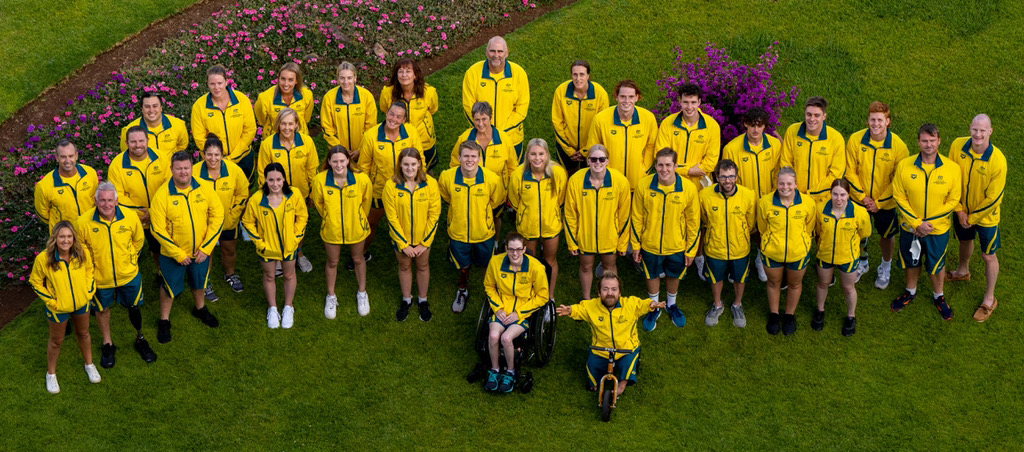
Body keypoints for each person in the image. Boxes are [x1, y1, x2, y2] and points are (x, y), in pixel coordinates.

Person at [75, 182, 158, 368]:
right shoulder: (82, 222)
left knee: (134, 307)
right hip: (100, 279)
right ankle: (108, 343)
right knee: (103, 310)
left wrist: (130, 259)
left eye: (110, 200)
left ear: (117, 201)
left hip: (128, 275)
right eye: (102, 200)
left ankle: (140, 337)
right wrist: (93, 268)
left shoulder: (129, 217)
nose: (106, 204)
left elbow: (138, 240)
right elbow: (80, 249)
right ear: (95, 201)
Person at [150, 151, 224, 343]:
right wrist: (177, 253)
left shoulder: (205, 189)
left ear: (192, 168)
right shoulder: (162, 195)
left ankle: (200, 309)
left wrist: (206, 248)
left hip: (200, 252)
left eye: (186, 167)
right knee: (168, 288)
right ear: (172, 169)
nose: (183, 172)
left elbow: (218, 217)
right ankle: (164, 320)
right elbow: (157, 229)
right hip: (173, 254)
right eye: (179, 168)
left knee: (199, 282)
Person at [890, 124, 961, 321]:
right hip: (910, 227)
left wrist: (927, 223)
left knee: (937, 265)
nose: (928, 145)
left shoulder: (952, 169)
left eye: (932, 140)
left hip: (936, 230)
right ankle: (910, 292)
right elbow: (898, 195)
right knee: (912, 261)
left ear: (939, 141)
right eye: (924, 141)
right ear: (918, 142)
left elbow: (954, 200)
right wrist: (915, 223)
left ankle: (939, 296)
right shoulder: (905, 165)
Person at [555, 271, 664, 396]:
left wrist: (653, 304)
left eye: (614, 289)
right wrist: (570, 310)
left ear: (620, 292)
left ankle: (621, 387)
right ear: (599, 293)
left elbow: (644, 304)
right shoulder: (591, 306)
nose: (610, 293)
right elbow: (580, 309)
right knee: (591, 373)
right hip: (601, 350)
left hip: (627, 349)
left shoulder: (630, 304)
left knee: (628, 368)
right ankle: (596, 382)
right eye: (605, 289)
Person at [630, 148, 699, 330]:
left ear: (676, 166)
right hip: (649, 244)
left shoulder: (688, 188)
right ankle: (654, 307)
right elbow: (636, 217)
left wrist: (691, 250)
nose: (664, 169)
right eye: (660, 165)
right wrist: (636, 245)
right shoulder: (643, 185)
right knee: (651, 274)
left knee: (673, 274)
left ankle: (671, 304)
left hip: (676, 245)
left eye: (668, 165)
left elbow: (693, 222)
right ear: (655, 166)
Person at [946, 114, 1006, 322]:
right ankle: (963, 271)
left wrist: (972, 217)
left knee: (988, 256)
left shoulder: (997, 161)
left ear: (990, 132)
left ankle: (990, 299)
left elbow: (994, 198)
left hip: (986, 218)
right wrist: (959, 209)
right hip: (962, 211)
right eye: (975, 130)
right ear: (970, 128)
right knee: (964, 240)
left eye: (983, 130)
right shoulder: (957, 146)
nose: (978, 134)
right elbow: (950, 178)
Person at [844, 101, 909, 289]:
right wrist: (863, 197)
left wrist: (879, 202)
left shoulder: (899, 147)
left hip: (885, 204)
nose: (876, 123)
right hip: (859, 199)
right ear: (868, 120)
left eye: (880, 120)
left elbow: (898, 181)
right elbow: (850, 171)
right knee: (858, 231)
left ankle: (885, 266)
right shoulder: (856, 140)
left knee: (887, 236)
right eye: (872, 119)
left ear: (888, 121)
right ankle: (862, 262)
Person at [29, 221, 100, 394]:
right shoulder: (44, 258)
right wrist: (52, 302)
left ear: (73, 237)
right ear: (55, 238)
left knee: (84, 334)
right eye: (62, 236)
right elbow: (35, 282)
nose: (66, 240)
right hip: (58, 308)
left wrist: (89, 292)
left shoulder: (82, 253)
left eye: (69, 236)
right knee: (56, 341)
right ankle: (51, 374)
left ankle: (89, 364)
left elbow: (90, 271)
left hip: (81, 304)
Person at [438, 141, 505, 314]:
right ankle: (463, 289)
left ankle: (491, 292)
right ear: (459, 157)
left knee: (487, 264)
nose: (469, 160)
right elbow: (446, 196)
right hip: (458, 233)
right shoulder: (446, 177)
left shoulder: (492, 179)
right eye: (466, 156)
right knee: (463, 265)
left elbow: (496, 200)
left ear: (480, 159)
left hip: (484, 233)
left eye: (473, 156)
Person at [356, 100, 424, 270]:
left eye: (398, 116)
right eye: (391, 114)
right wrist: (365, 191)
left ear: (404, 119)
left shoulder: (412, 133)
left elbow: (419, 161)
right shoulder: (371, 136)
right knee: (371, 223)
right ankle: (361, 253)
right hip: (378, 190)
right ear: (386, 113)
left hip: (406, 189)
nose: (393, 119)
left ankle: (413, 253)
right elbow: (363, 167)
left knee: (408, 221)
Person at [241, 163, 309, 328]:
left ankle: (288, 307)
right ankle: (273, 308)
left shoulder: (294, 195)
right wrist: (260, 243)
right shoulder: (257, 199)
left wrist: (296, 237)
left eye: (279, 179)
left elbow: (302, 216)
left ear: (284, 179)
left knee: (289, 275)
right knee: (269, 277)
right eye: (271, 180)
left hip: (289, 247)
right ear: (265, 180)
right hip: (267, 249)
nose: (275, 184)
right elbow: (247, 222)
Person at [482, 232, 549, 393]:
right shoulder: (495, 262)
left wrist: (519, 313)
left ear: (524, 249)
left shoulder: (535, 267)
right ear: (506, 249)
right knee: (492, 336)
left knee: (506, 338)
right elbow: (489, 286)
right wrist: (498, 309)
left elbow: (543, 295)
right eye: (511, 249)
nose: (515, 253)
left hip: (522, 313)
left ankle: (510, 372)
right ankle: (495, 370)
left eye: (518, 249)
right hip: (502, 311)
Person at [721, 107, 782, 282]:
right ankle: (740, 265)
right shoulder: (732, 148)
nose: (756, 130)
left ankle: (760, 259)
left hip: (768, 200)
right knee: (741, 234)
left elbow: (779, 171)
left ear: (765, 126)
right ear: (745, 124)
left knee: (765, 233)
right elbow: (728, 179)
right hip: (743, 201)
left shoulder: (775, 145)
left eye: (760, 125)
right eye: (752, 125)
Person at [310, 146, 373, 318]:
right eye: (335, 161)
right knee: (332, 262)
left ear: (348, 160)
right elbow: (319, 204)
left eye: (342, 161)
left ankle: (362, 293)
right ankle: (331, 296)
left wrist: (358, 218)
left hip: (356, 229)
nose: (338, 164)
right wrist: (331, 218)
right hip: (332, 230)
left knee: (358, 259)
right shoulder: (319, 180)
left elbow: (366, 203)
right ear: (329, 161)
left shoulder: (362, 180)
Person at [564, 144, 631, 300]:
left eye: (602, 159)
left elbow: (625, 215)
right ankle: (587, 300)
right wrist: (572, 242)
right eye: (593, 159)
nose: (598, 162)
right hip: (585, 237)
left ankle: (612, 298)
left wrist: (622, 243)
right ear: (588, 161)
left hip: (610, 236)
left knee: (610, 267)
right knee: (586, 267)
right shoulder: (575, 181)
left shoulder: (620, 181)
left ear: (608, 161)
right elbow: (569, 214)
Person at [256, 107, 319, 273]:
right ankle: (277, 257)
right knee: (277, 225)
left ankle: (298, 253)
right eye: (283, 123)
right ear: (278, 124)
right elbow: (262, 172)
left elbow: (312, 169)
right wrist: (267, 195)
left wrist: (312, 192)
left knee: (299, 224)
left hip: (301, 193)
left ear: (297, 124)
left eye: (290, 123)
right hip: (275, 195)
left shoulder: (307, 142)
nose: (286, 127)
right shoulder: (268, 144)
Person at [383, 148, 442, 322]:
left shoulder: (430, 184)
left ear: (419, 165)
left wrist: (425, 242)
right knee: (404, 267)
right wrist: (404, 244)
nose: (409, 168)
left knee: (423, 267)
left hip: (424, 240)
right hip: (402, 241)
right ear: (400, 165)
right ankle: (406, 299)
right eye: (406, 164)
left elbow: (434, 214)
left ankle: (423, 300)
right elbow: (391, 217)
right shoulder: (391, 186)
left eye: (413, 164)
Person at [757, 167, 817, 335]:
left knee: (795, 284)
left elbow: (809, 227)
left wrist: (802, 244)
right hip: (772, 253)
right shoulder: (765, 202)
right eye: (781, 183)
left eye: (789, 183)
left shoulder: (808, 203)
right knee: (773, 283)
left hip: (798, 253)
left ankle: (789, 315)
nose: (785, 187)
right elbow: (762, 228)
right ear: (776, 184)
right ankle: (774, 314)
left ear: (796, 184)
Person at [699, 159, 757, 328]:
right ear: (716, 177)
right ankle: (717, 305)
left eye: (731, 176)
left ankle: (737, 305)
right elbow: (704, 220)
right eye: (723, 177)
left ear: (737, 177)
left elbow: (751, 223)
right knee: (716, 278)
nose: (728, 181)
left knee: (740, 278)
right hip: (714, 247)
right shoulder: (704, 196)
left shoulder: (748, 195)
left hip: (740, 248)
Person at [507, 138, 567, 302]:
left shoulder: (558, 173)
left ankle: (549, 297)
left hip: (551, 226)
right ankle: (531, 295)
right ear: (527, 155)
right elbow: (514, 200)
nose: (537, 158)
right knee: (530, 262)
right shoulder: (518, 174)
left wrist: (551, 213)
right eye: (533, 154)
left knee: (550, 260)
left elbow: (560, 199)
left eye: (541, 154)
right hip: (528, 227)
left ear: (547, 155)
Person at [449, 101, 517, 245]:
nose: (480, 124)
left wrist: (509, 190)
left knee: (496, 216)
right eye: (477, 120)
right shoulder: (464, 139)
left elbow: (512, 167)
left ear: (491, 118)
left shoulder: (504, 139)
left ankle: (496, 242)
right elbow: (455, 162)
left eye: (484, 119)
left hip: (497, 189)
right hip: (471, 187)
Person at [108, 126, 171, 273]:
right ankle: (152, 272)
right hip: (135, 218)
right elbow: (117, 195)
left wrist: (154, 211)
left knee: (164, 246)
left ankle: (167, 272)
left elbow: (169, 185)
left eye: (141, 140)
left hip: (162, 213)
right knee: (136, 249)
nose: (138, 145)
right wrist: (143, 213)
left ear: (148, 141)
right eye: (133, 141)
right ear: (126, 142)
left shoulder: (161, 157)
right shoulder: (117, 165)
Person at [813, 179, 871, 336]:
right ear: (830, 194)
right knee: (823, 284)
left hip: (848, 258)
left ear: (849, 195)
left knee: (848, 288)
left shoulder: (859, 213)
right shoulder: (820, 209)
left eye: (842, 195)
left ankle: (851, 316)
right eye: (835, 194)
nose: (839, 199)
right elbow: (818, 231)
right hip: (825, 255)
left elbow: (865, 232)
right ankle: (820, 310)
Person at [193, 135, 249, 299]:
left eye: (217, 155)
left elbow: (243, 193)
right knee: (205, 253)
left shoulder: (233, 170)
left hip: (227, 222)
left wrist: (233, 214)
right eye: (209, 154)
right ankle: (206, 282)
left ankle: (230, 274)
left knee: (229, 250)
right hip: (204, 223)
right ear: (203, 154)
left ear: (222, 155)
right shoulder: (195, 172)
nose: (213, 158)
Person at [462, 36, 530, 159]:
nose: (496, 55)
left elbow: (522, 108)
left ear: (507, 52)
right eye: (492, 51)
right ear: (486, 52)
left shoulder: (519, 74)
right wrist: (486, 130)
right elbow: (469, 107)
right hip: (481, 137)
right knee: (482, 173)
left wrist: (498, 132)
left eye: (500, 51)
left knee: (513, 173)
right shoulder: (472, 73)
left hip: (512, 138)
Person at [585, 80, 658, 190]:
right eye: (623, 96)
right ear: (616, 97)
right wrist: (603, 169)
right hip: (609, 183)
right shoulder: (600, 119)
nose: (626, 101)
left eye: (631, 96)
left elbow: (652, 145)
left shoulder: (648, 118)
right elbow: (592, 147)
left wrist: (644, 169)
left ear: (637, 98)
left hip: (637, 182)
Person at [190, 65, 258, 180]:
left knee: (246, 191)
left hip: (242, 157)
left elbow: (250, 130)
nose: (216, 87)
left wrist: (232, 157)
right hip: (213, 161)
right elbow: (199, 137)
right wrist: (215, 155)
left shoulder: (242, 100)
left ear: (226, 82)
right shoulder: (199, 106)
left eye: (220, 83)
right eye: (212, 84)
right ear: (207, 84)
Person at [655, 82, 722, 187]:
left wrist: (683, 169)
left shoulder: (712, 126)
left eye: (693, 102)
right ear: (680, 102)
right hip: (672, 181)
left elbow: (711, 162)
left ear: (699, 102)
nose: (689, 107)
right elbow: (661, 155)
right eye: (685, 102)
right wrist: (688, 171)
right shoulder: (667, 123)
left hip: (700, 183)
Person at [781, 96, 846, 204]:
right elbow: (785, 163)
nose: (812, 119)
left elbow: (835, 174)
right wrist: (793, 190)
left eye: (817, 115)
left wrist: (811, 194)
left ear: (824, 116)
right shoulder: (792, 131)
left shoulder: (836, 138)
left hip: (823, 200)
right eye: (809, 114)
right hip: (794, 197)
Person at [551, 60, 609, 174]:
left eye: (582, 74)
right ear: (571, 75)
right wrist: (569, 150)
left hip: (591, 148)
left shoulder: (600, 94)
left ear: (588, 75)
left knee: (588, 178)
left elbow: (601, 126)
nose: (578, 78)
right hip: (566, 147)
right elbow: (557, 122)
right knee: (566, 176)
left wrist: (585, 150)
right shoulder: (561, 91)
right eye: (575, 74)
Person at [380, 58, 439, 170]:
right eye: (400, 71)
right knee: (403, 170)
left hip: (424, 141)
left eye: (408, 71)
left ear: (415, 75)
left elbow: (433, 109)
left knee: (427, 169)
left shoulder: (429, 92)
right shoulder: (387, 93)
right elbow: (384, 109)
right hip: (399, 140)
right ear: (396, 75)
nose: (404, 75)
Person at [34, 140, 99, 231]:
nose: (67, 161)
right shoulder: (44, 186)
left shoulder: (90, 173)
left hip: (89, 230)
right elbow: (43, 214)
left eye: (71, 156)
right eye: (63, 157)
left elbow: (95, 200)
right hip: (64, 237)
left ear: (76, 156)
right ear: (57, 158)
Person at [321, 61, 378, 153]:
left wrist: (360, 150)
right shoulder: (329, 97)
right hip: (338, 153)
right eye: (342, 78)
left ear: (355, 78)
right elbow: (326, 127)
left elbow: (371, 127)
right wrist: (340, 149)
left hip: (363, 151)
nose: (346, 82)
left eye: (349, 78)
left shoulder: (366, 96)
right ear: (338, 79)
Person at [119, 91, 189, 158]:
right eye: (147, 107)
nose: (151, 110)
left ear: (161, 108)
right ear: (142, 109)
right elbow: (127, 154)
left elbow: (182, 146)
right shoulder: (129, 130)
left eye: (155, 106)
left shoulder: (178, 124)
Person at [254, 62, 315, 136]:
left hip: (300, 138)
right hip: (273, 140)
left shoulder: (307, 95)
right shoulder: (264, 98)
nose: (286, 84)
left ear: (296, 81)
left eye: (290, 80)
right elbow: (261, 120)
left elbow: (306, 119)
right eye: (283, 79)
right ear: (278, 78)